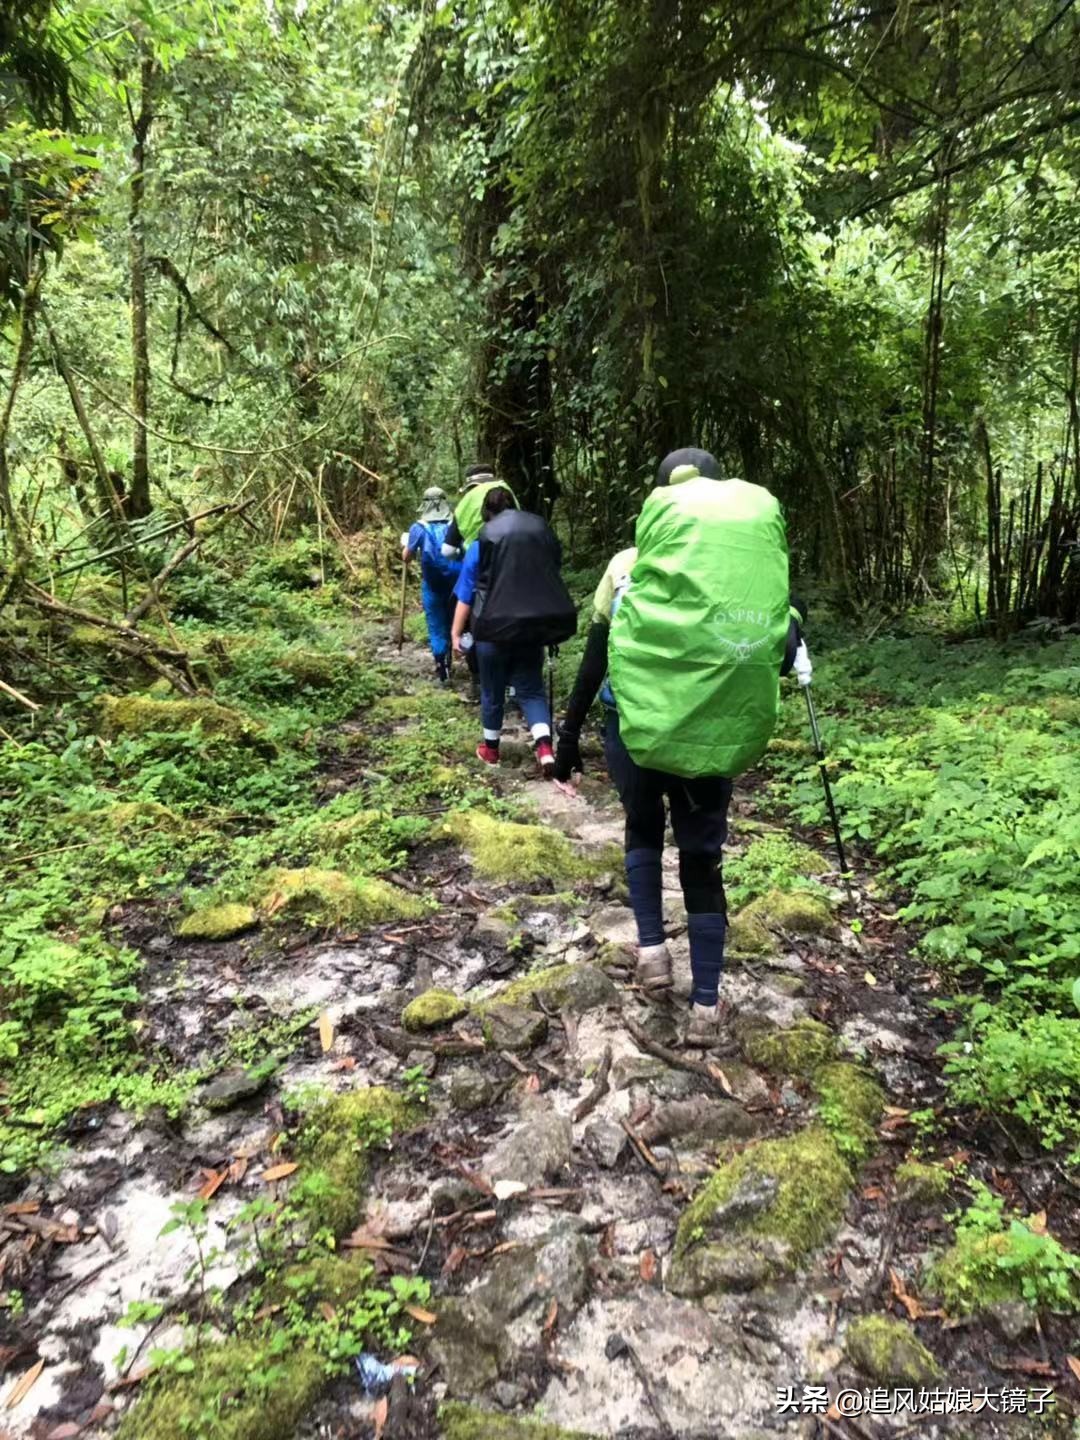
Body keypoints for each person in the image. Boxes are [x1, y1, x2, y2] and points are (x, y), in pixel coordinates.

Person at [554, 448, 803, 1046]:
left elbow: (596, 659)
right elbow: (779, 655)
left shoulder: (626, 566)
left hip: (633, 728)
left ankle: (652, 954)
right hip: (713, 735)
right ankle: (706, 1006)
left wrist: (567, 736)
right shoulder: (750, 580)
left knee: (642, 828)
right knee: (701, 856)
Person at [451, 485, 577, 775]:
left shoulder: (481, 543)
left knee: (492, 691)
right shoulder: (537, 540)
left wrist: (456, 634)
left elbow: (466, 595)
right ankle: (545, 749)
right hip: (531, 629)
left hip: (490, 629)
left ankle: (491, 750)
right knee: (531, 689)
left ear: (487, 513)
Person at [401, 486, 461, 685]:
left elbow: (407, 557)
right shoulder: (456, 523)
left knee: (436, 624)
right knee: (456, 621)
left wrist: (406, 545)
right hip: (456, 584)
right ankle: (468, 665)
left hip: (432, 584)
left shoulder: (418, 528)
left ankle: (442, 669)